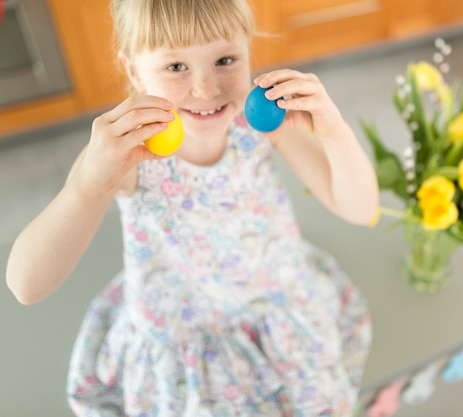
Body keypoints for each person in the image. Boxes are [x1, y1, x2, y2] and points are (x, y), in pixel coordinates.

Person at [6, 0, 379, 415]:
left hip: (273, 308)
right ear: (133, 71)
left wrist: (334, 131)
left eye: (225, 59)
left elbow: (360, 209)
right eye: (176, 67)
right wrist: (86, 186)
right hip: (183, 337)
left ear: (248, 51)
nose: (206, 89)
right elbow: (26, 286)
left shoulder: (261, 127)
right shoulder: (128, 157)